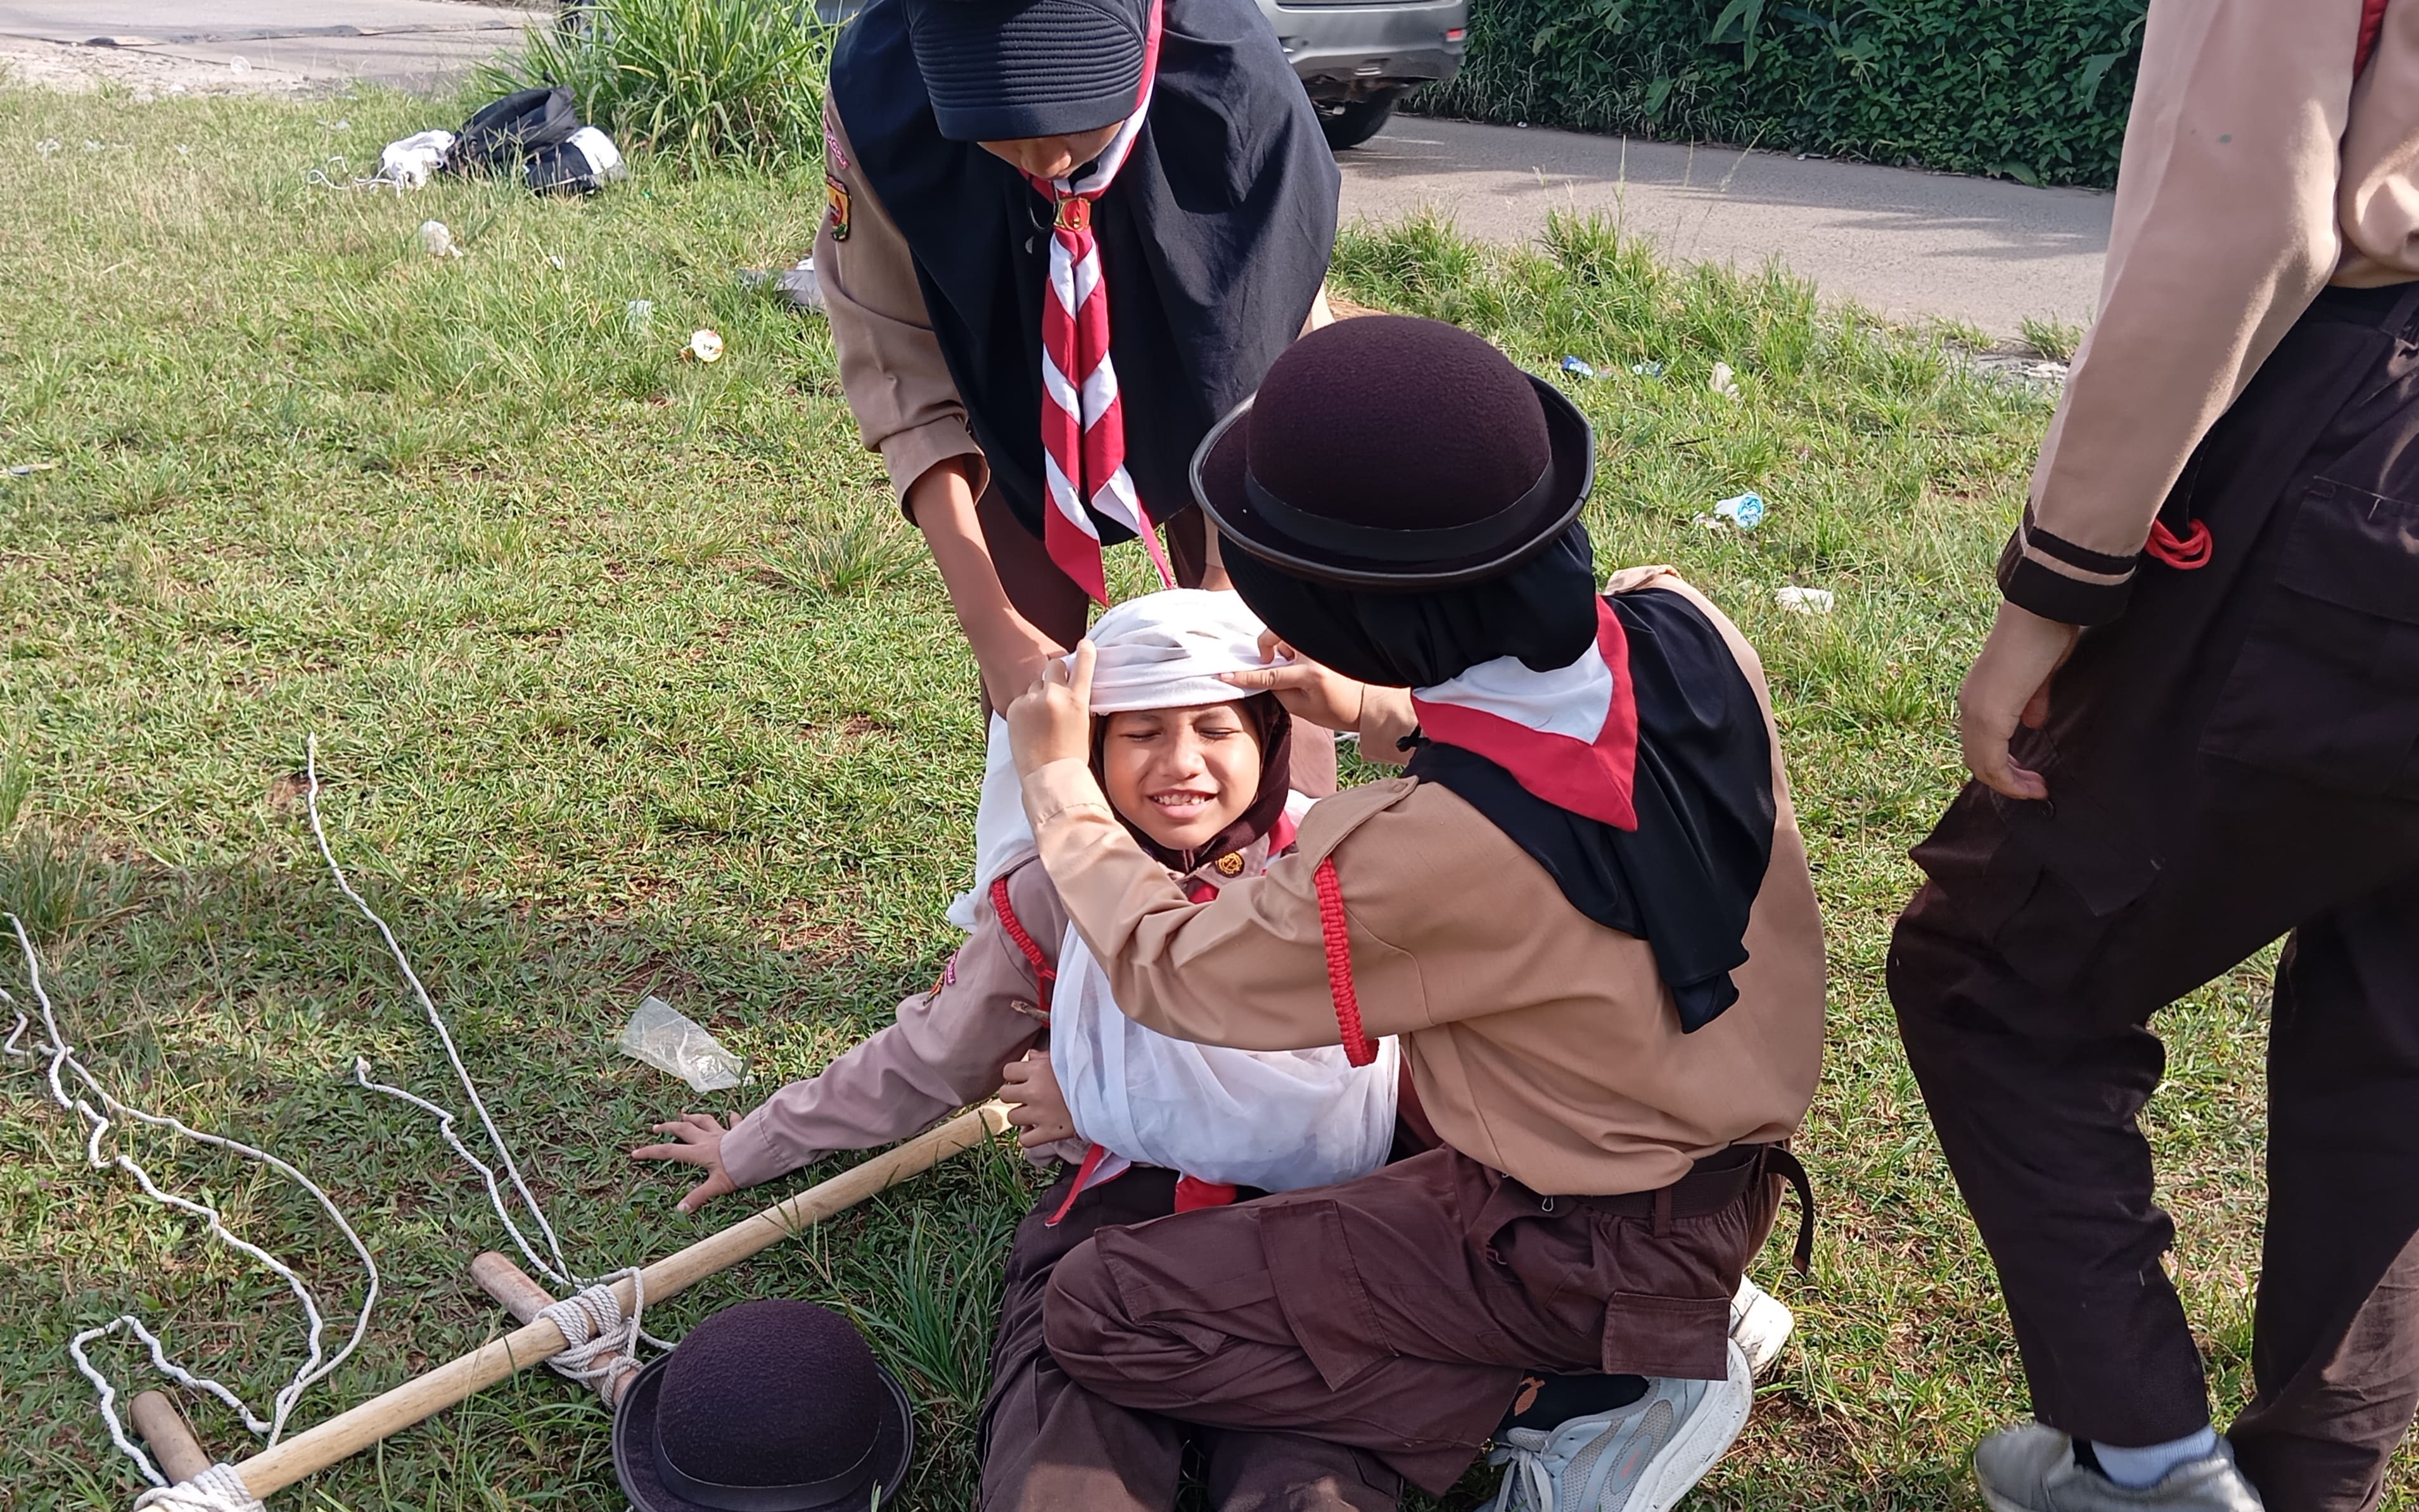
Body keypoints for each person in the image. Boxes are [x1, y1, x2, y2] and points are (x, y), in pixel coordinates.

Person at [1885, 1, 2419, 1508]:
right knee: (2412, 1042)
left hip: (2417, 436)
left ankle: (2144, 1468)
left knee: (1991, 973)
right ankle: (2294, 1487)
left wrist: (2050, 586)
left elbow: (2234, 211)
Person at [1001, 316, 1827, 1512]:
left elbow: (1170, 963)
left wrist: (1059, 782)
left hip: (1561, 1233)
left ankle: (1586, 1388)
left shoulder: (1409, 858)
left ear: (1344, 611)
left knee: (1100, 1307)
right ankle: (1659, 1315)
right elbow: (1571, 764)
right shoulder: (1685, 624)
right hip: (1705, 1173)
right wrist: (1381, 708)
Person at [634, 590, 1404, 1510]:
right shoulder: (1053, 895)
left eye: (1215, 728)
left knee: (1313, 1473)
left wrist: (1093, 1093)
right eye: (1142, 732)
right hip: (1125, 1215)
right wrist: (754, 1142)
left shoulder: (1337, 864)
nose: (1182, 763)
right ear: (1090, 750)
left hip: (1313, 1216)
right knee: (1066, 1445)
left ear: (1270, 738)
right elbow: (934, 1052)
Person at [815, 0, 1339, 748]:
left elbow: (1273, 361)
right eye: (996, 125)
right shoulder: (880, 101)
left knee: (1266, 682)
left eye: (1073, 113)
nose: (1046, 161)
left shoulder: (1235, 81)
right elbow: (896, 360)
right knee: (1031, 723)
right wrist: (994, 629)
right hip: (1011, 379)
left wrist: (1233, 595)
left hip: (1222, 388)